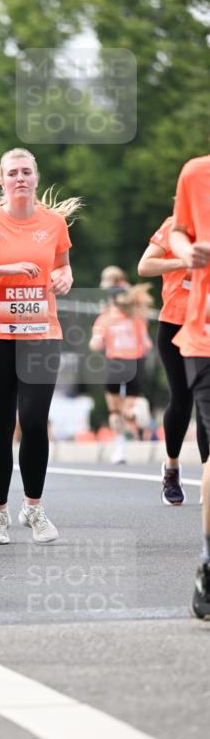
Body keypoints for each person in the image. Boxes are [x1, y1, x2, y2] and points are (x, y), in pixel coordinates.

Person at [0, 146, 78, 545]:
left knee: (35, 420)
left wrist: (65, 277)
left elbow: (62, 264)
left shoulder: (53, 223)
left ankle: (34, 508)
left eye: (26, 171)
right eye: (13, 173)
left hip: (41, 335)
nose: (20, 178)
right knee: (1, 424)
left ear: (36, 178)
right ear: (2, 180)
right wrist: (5, 269)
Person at [137, 215, 208, 503]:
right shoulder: (175, 225)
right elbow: (145, 266)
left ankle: (207, 476)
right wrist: (183, 262)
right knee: (182, 400)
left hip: (206, 325)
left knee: (206, 402)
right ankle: (172, 467)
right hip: (175, 324)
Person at [168, 152, 210, 620]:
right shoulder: (196, 173)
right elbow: (178, 230)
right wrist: (187, 251)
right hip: (205, 332)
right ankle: (209, 562)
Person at [89, 283, 153, 465]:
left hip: (115, 364)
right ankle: (134, 413)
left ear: (111, 300)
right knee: (128, 407)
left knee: (115, 411)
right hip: (134, 364)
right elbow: (147, 345)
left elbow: (95, 345)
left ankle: (120, 448)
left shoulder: (105, 319)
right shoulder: (136, 319)